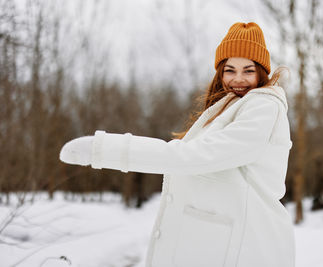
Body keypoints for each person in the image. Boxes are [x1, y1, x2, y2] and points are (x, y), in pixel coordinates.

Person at [60, 22, 295, 267]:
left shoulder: (264, 107)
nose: (238, 79)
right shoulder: (231, 104)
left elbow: (198, 156)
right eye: (229, 70)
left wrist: (108, 150)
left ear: (262, 72)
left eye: (248, 70)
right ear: (220, 72)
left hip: (249, 248)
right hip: (224, 246)